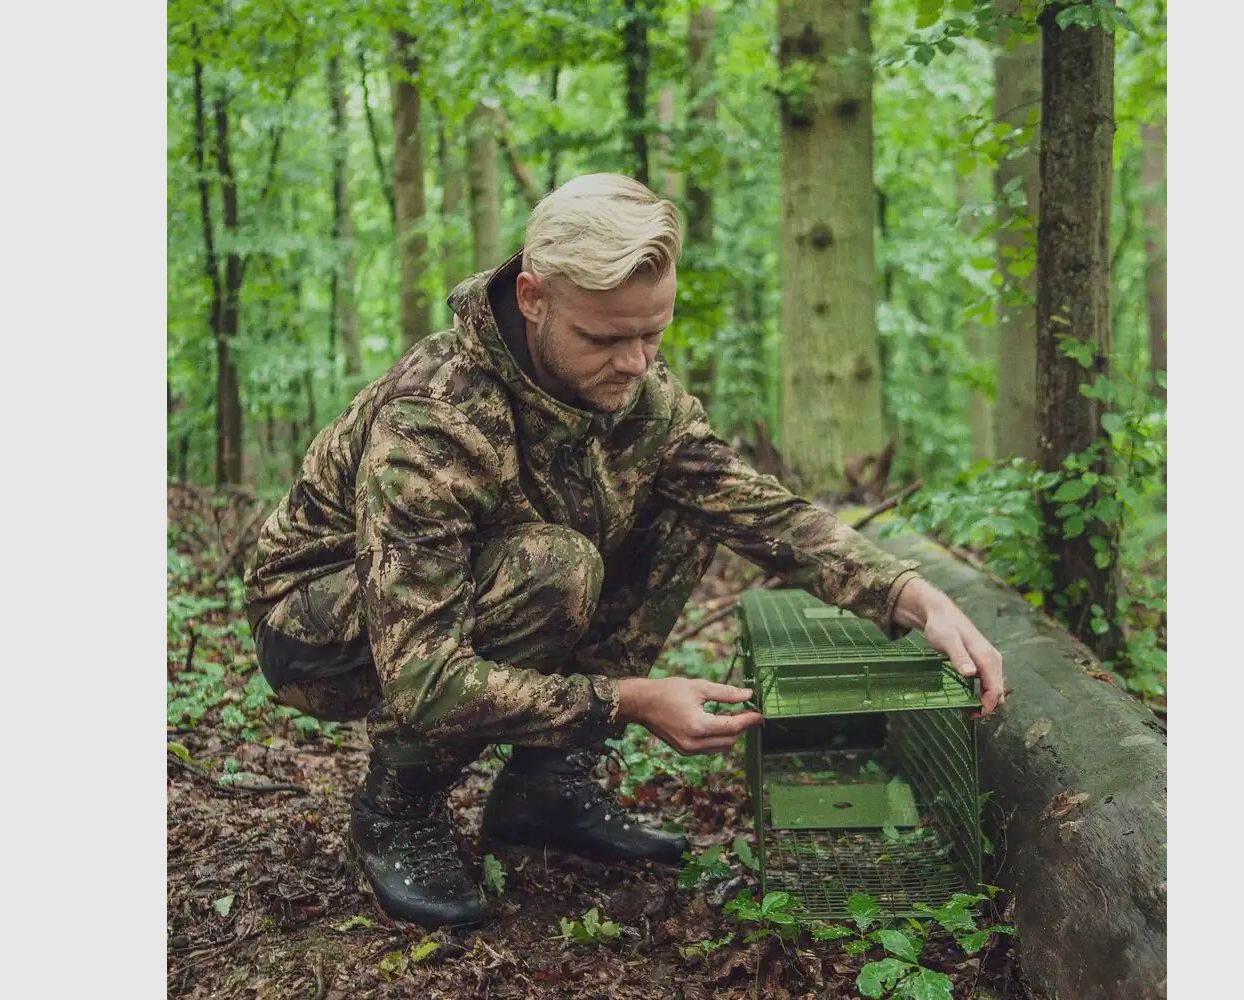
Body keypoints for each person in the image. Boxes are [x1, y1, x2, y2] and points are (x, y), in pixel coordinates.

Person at [244, 173, 1005, 929]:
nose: (637, 363)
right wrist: (627, 701)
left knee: (685, 508)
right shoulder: (435, 416)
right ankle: (397, 809)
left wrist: (911, 596)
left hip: (478, 587)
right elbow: (423, 676)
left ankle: (546, 789)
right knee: (553, 569)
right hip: (319, 630)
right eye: (606, 338)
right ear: (534, 297)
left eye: (653, 333)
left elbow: (754, 508)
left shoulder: (640, 394)